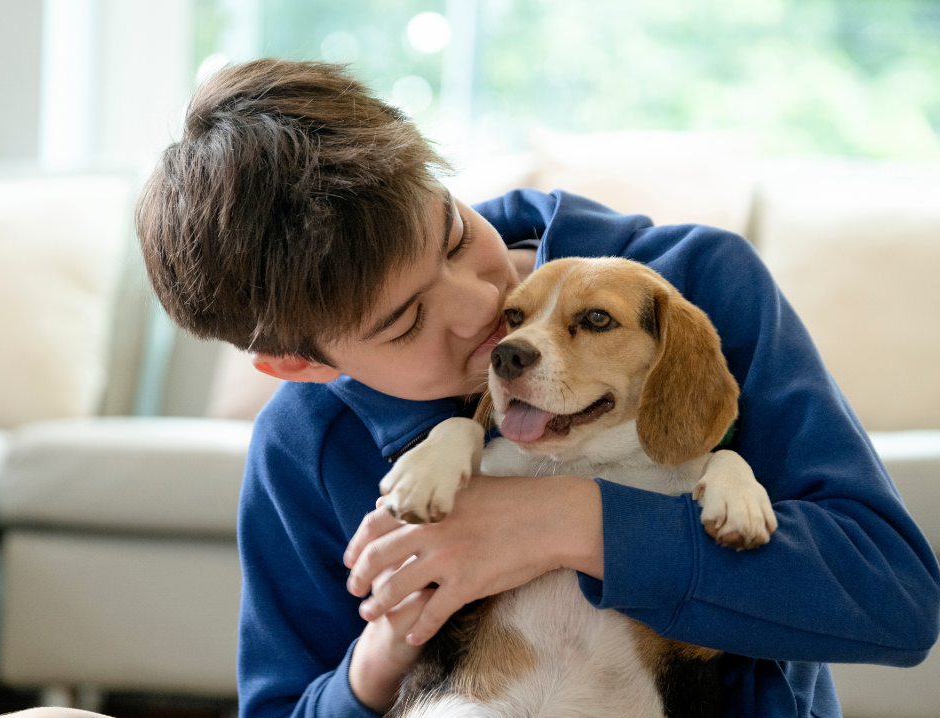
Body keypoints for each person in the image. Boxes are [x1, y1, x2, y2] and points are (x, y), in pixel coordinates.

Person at [134, 59, 940, 718]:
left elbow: (897, 602)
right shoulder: (304, 441)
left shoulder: (698, 282)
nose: (481, 309)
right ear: (300, 364)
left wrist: (569, 522)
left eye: (455, 236)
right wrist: (381, 654)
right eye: (406, 323)